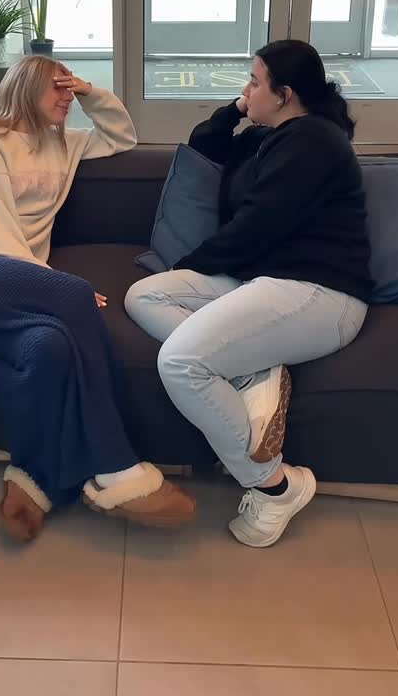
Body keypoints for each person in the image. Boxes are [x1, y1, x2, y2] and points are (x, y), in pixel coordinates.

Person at [0, 56, 195, 542]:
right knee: (74, 293)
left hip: (4, 285)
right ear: (25, 88)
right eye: (56, 87)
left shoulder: (66, 143)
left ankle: (32, 483)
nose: (66, 97)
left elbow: (121, 136)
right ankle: (116, 467)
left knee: (49, 348)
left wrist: (89, 91)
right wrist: (49, 285)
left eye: (69, 88)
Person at [125, 40, 372, 548]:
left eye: (255, 82)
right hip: (260, 281)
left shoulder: (314, 142)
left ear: (285, 94)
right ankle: (252, 372)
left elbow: (257, 227)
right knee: (144, 296)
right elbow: (205, 144)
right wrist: (240, 108)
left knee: (181, 362)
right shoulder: (267, 136)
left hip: (318, 292)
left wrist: (191, 264)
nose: (246, 89)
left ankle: (275, 486)